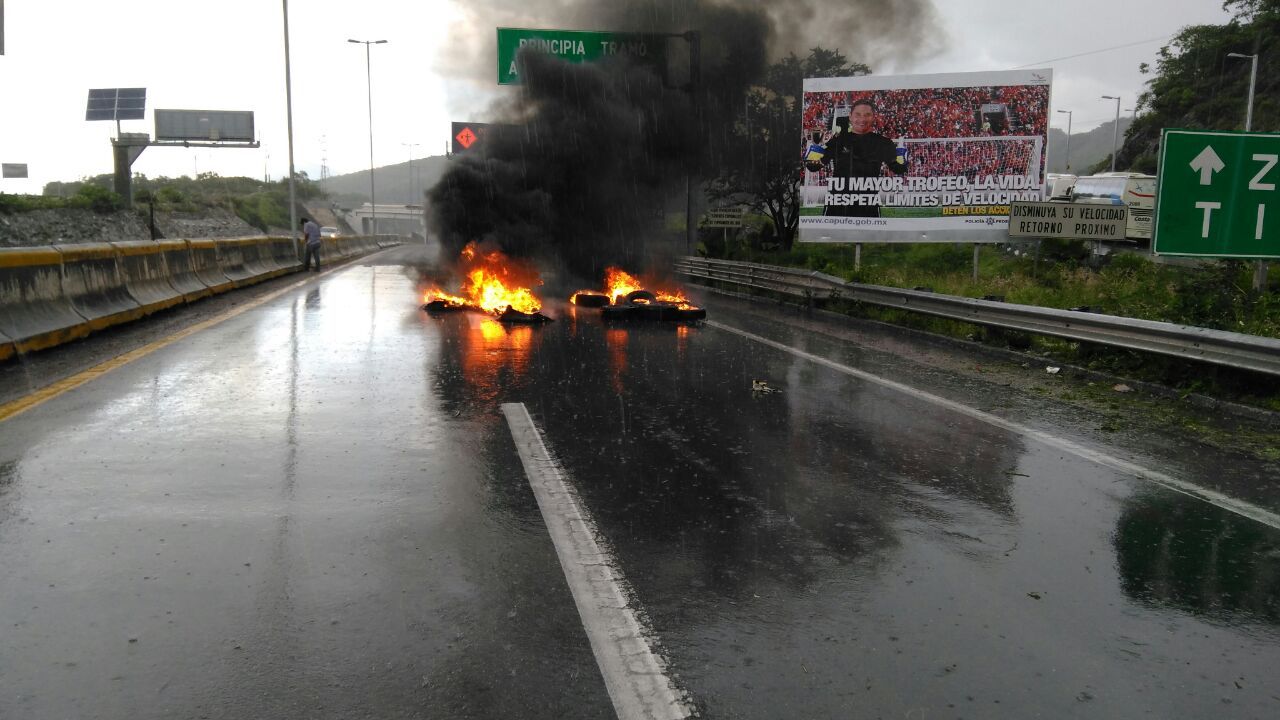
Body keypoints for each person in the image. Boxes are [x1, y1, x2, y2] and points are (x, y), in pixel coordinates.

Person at [819, 99, 907, 217]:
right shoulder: (837, 141)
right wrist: (814, 152)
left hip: (868, 203)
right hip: (837, 202)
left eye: (867, 115)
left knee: (870, 236)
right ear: (850, 116)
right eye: (858, 115)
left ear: (873, 117)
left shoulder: (884, 143)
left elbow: (898, 169)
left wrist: (903, 157)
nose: (862, 119)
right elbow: (815, 166)